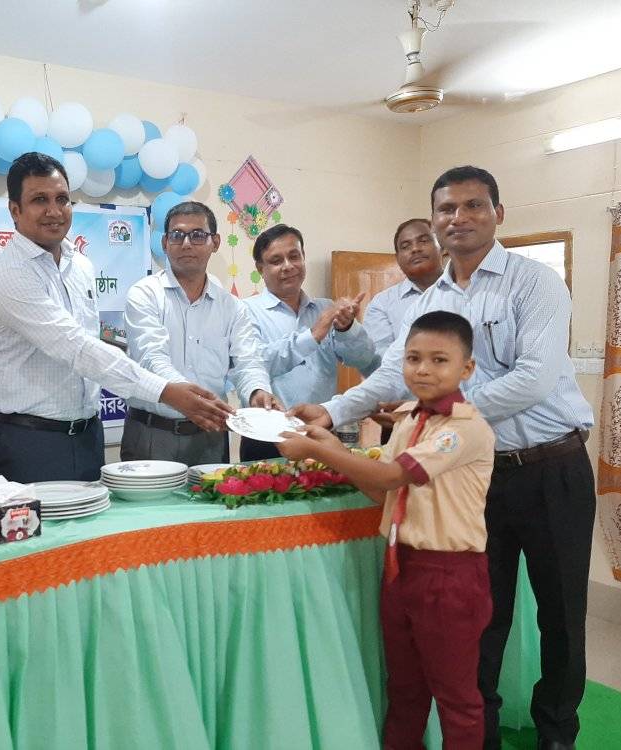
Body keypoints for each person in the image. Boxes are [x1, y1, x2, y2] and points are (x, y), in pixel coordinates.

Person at [294, 166, 595, 750]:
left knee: (560, 613)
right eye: (447, 209)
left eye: (473, 206)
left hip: (551, 468)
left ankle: (557, 732)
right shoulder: (429, 301)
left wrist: (436, 412)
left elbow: (535, 378)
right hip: (473, 481)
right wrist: (331, 412)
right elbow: (393, 372)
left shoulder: (535, 283)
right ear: (434, 221)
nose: (459, 218)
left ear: (497, 214)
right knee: (484, 617)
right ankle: (478, 732)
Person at [278, 310, 494, 748]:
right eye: (413, 358)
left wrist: (320, 452)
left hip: (449, 576)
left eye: (439, 360)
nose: (423, 369)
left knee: (456, 699)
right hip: (401, 566)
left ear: (466, 368)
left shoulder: (464, 429)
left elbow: (393, 475)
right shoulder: (411, 419)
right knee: (405, 688)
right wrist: (333, 445)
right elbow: (385, 494)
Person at [0, 152, 234, 484]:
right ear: (15, 210)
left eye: (62, 199)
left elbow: (92, 337)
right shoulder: (11, 274)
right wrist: (166, 391)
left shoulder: (80, 265)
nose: (54, 211)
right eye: (39, 200)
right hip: (31, 441)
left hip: (87, 434)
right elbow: (76, 347)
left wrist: (134, 353)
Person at [122, 201, 278, 464]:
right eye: (177, 235)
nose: (186, 244)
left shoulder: (232, 307)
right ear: (165, 243)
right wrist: (196, 400)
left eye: (197, 235)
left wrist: (257, 391)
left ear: (215, 242)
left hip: (210, 436)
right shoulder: (144, 294)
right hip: (152, 433)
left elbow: (248, 361)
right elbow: (151, 358)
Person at [241, 224, 374, 460]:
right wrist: (312, 336)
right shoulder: (245, 311)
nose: (288, 266)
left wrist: (347, 328)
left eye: (294, 256)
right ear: (261, 269)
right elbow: (254, 364)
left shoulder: (326, 308)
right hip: (266, 437)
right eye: (276, 260)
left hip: (320, 431)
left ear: (303, 257)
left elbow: (364, 359)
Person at [362, 218, 443, 376]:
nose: (415, 249)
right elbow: (380, 363)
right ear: (398, 258)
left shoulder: (466, 290)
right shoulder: (382, 304)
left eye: (423, 241)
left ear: (442, 246)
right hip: (405, 390)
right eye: (406, 246)